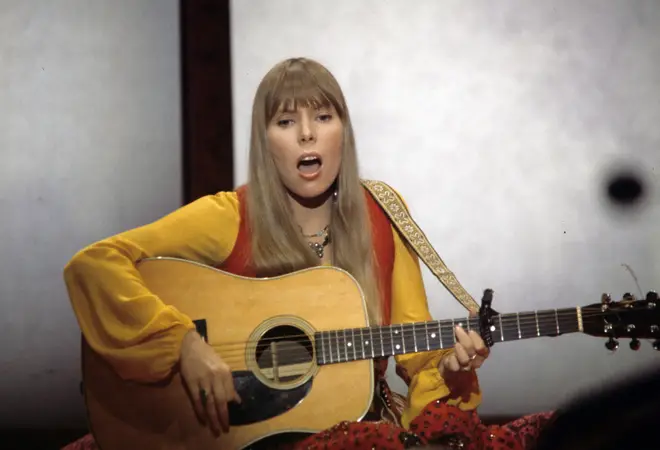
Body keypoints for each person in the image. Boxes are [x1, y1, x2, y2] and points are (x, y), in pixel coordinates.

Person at [62, 57, 552, 450]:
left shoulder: (384, 214)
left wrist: (452, 367)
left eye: (323, 116)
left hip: (358, 424)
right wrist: (184, 344)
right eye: (285, 120)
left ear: (344, 131)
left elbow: (419, 354)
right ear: (266, 141)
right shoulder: (230, 216)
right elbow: (95, 263)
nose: (306, 134)